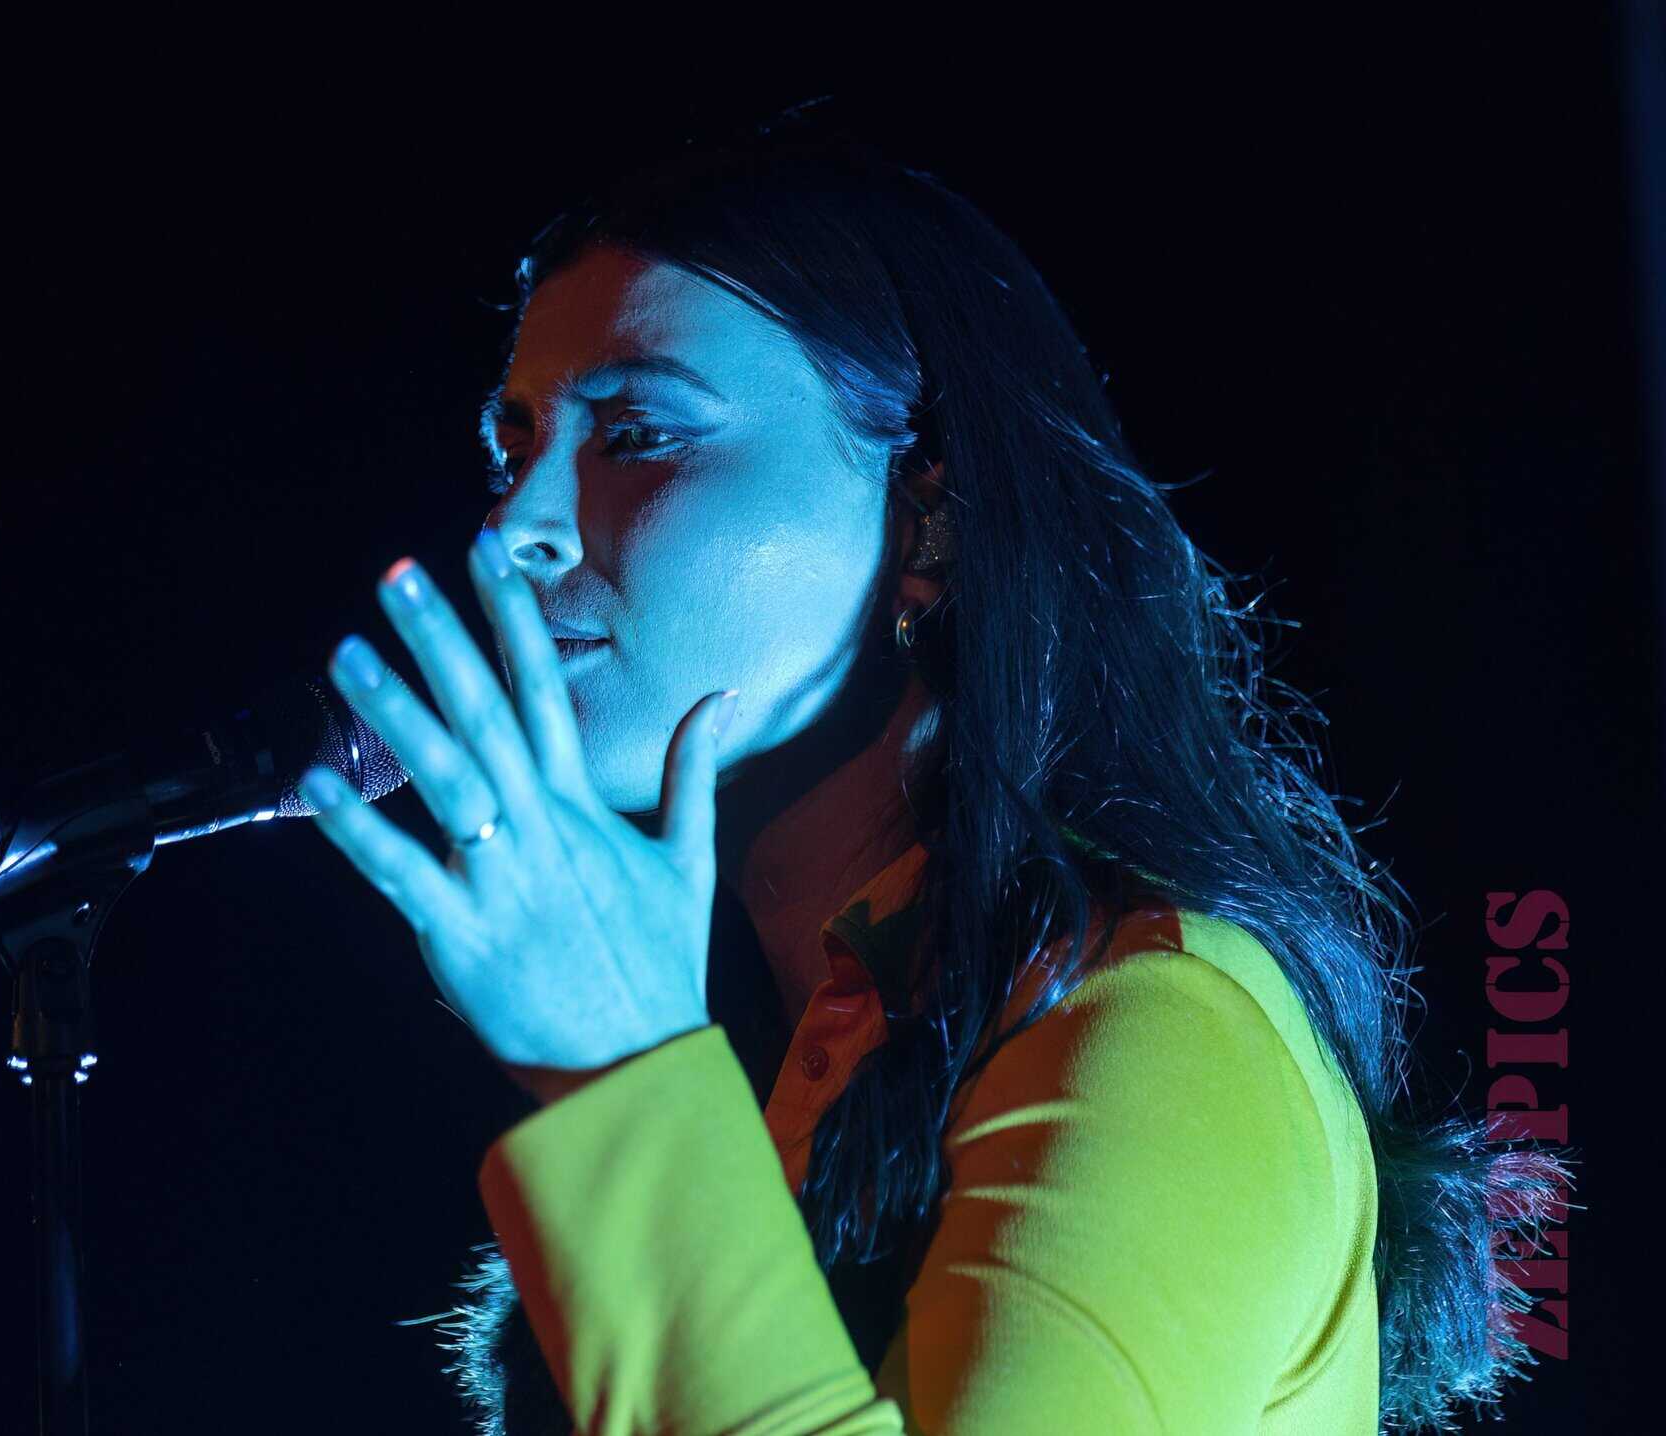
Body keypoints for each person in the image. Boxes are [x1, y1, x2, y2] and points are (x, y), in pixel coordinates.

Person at [302, 115, 1575, 1434]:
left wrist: (623, 1078)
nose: (515, 526)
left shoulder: (1155, 1022)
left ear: (928, 524)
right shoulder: (792, 1061)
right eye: (512, 452)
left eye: (636, 436)